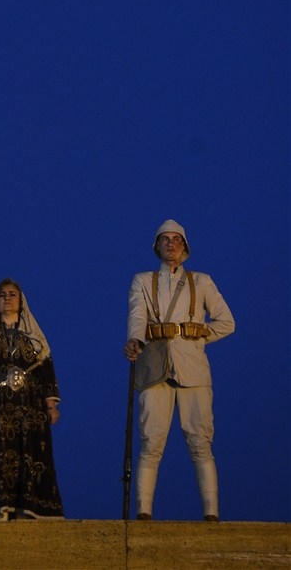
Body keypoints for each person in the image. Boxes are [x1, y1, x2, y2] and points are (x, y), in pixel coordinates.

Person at [124, 219, 235, 521]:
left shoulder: (202, 281)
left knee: (201, 441)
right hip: (154, 365)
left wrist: (197, 336)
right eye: (165, 239)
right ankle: (144, 512)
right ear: (157, 246)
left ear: (184, 247)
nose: (170, 243)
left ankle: (211, 514)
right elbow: (137, 314)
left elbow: (227, 322)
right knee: (151, 440)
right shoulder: (143, 280)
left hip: (193, 369)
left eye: (176, 239)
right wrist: (135, 339)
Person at [0, 278, 64, 521]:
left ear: (21, 302)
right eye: (2, 295)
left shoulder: (35, 339)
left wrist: (51, 405)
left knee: (29, 455)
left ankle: (29, 508)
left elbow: (46, 370)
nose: (7, 298)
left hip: (29, 407)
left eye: (12, 294)